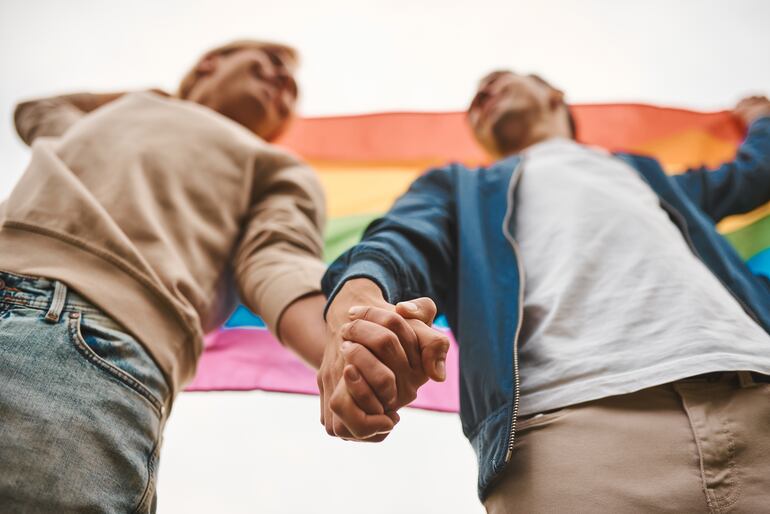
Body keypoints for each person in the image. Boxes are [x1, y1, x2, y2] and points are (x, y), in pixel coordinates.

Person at [319, 71, 770, 512]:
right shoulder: (461, 188)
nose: (482, 95)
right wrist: (355, 308)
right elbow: (400, 241)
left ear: (554, 94)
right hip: (567, 437)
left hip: (756, 393)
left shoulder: (644, 172)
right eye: (475, 99)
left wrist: (761, 118)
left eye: (498, 81)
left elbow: (754, 176)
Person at [0, 39, 336, 512]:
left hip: (88, 336)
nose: (284, 83)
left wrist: (338, 349)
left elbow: (276, 261)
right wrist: (153, 98)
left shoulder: (276, 167)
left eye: (292, 91)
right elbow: (37, 109)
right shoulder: (100, 120)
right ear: (209, 62)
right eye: (273, 64)